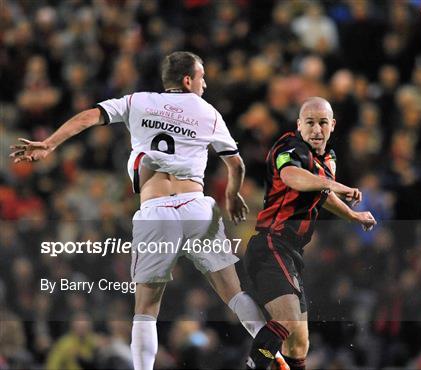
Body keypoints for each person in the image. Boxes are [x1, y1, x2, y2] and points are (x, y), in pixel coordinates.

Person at [10, 51, 284, 370]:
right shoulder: (209, 113)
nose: (205, 83)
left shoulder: (137, 102)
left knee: (147, 308)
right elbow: (235, 163)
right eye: (202, 77)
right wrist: (233, 195)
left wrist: (51, 143)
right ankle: (274, 356)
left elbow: (90, 116)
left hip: (157, 210)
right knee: (233, 293)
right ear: (187, 80)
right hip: (196, 208)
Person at [244, 97, 377, 370]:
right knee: (287, 320)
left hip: (292, 252)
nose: (317, 129)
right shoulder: (289, 147)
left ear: (333, 125)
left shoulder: (328, 158)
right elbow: (293, 177)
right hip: (271, 244)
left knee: (299, 344)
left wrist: (352, 215)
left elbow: (321, 193)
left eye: (323, 123)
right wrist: (337, 185)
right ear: (299, 125)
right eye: (310, 123)